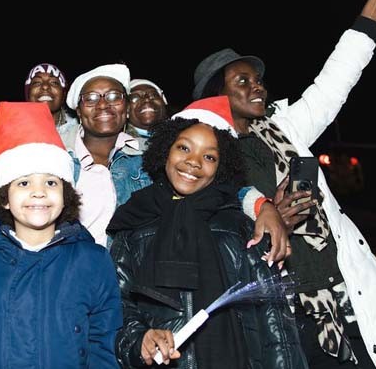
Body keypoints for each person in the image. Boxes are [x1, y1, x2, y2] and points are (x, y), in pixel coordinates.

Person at [192, 0, 376, 368]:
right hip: (286, 316)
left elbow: (340, 74)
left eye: (258, 79)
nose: (259, 88)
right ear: (216, 94)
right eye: (243, 81)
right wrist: (271, 220)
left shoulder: (287, 129)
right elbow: (212, 241)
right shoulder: (205, 157)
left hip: (345, 298)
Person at [0, 64, 293, 291]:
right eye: (91, 98)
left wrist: (261, 204)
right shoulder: (54, 164)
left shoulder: (151, 161)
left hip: (145, 297)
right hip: (63, 292)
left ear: (126, 108)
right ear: (79, 111)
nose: (103, 104)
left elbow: (211, 178)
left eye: (113, 97)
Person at [108, 96, 306, 369]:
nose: (194, 162)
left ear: (220, 168)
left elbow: (275, 322)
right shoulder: (133, 225)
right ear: (165, 150)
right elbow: (116, 308)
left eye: (209, 156)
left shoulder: (242, 227)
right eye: (184, 148)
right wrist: (139, 339)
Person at [0, 101, 122, 368]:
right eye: (24, 183)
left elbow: (104, 341)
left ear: (65, 194)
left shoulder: (92, 260)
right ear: (4, 198)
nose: (39, 192)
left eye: (51, 182)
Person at [24, 62, 78, 135]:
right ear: (28, 94)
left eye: (54, 82)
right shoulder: (13, 129)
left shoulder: (79, 132)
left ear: (64, 94)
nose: (45, 86)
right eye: (37, 82)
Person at [125, 78, 169, 148]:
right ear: (126, 110)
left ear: (164, 101)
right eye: (135, 98)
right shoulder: (118, 146)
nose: (146, 99)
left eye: (154, 95)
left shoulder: (181, 136)